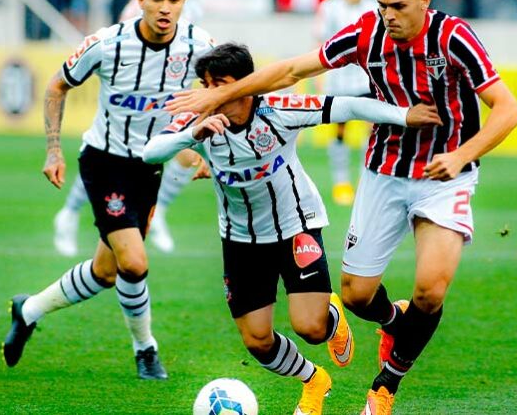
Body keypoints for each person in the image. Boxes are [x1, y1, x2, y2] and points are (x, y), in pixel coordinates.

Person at [165, 0, 517, 414]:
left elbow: (507, 109)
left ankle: (385, 386)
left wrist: (460, 156)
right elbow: (294, 69)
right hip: (384, 173)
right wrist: (220, 94)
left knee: (431, 290)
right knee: (355, 295)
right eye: (381, 4)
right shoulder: (367, 33)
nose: (388, 15)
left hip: (444, 176)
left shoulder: (454, 37)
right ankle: (392, 320)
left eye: (398, 5)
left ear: (424, 1)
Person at [145, 42, 441, 414]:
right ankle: (314, 379)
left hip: (295, 226)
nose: (210, 93)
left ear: (245, 84)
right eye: (206, 84)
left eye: (219, 84)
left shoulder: (278, 111)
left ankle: (331, 319)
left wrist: (404, 115)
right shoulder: (199, 119)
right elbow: (150, 151)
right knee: (256, 340)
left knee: (311, 328)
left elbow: (347, 106)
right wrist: (194, 136)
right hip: (241, 239)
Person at [2, 0, 215, 380]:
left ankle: (27, 310)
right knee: (134, 263)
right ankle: (146, 350)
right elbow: (57, 85)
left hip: (148, 167)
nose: (164, 8)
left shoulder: (199, 45)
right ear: (140, 1)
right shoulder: (107, 43)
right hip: (104, 161)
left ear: (184, 3)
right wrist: (52, 150)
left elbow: (219, 92)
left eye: (173, 0)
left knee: (105, 270)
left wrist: (204, 147)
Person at [54, 0, 205, 257]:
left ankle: (158, 211)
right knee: (128, 259)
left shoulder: (195, 18)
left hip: (161, 126)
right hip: (124, 121)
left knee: (189, 153)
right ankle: (69, 214)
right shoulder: (130, 18)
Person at [313, 0, 377, 206]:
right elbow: (319, 44)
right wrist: (319, 79)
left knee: (371, 130)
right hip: (337, 80)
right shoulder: (329, 8)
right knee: (340, 131)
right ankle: (341, 182)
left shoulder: (374, 7)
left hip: (366, 79)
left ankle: (365, 180)